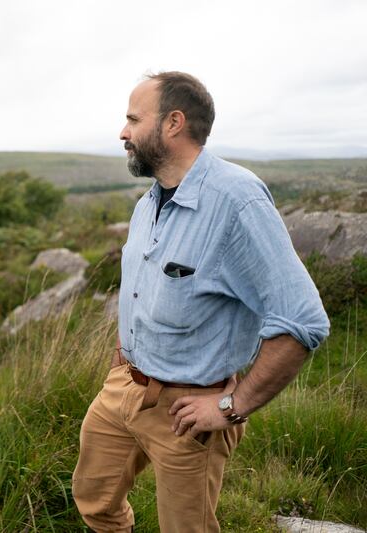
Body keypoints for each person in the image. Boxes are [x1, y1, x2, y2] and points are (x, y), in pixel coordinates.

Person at [71, 71, 330, 532]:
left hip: (189, 411)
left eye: (133, 119)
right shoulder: (148, 202)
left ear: (173, 123)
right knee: (94, 500)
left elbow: (302, 320)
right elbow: (141, 286)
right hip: (124, 385)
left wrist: (230, 406)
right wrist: (122, 354)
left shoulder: (237, 200)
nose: (123, 133)